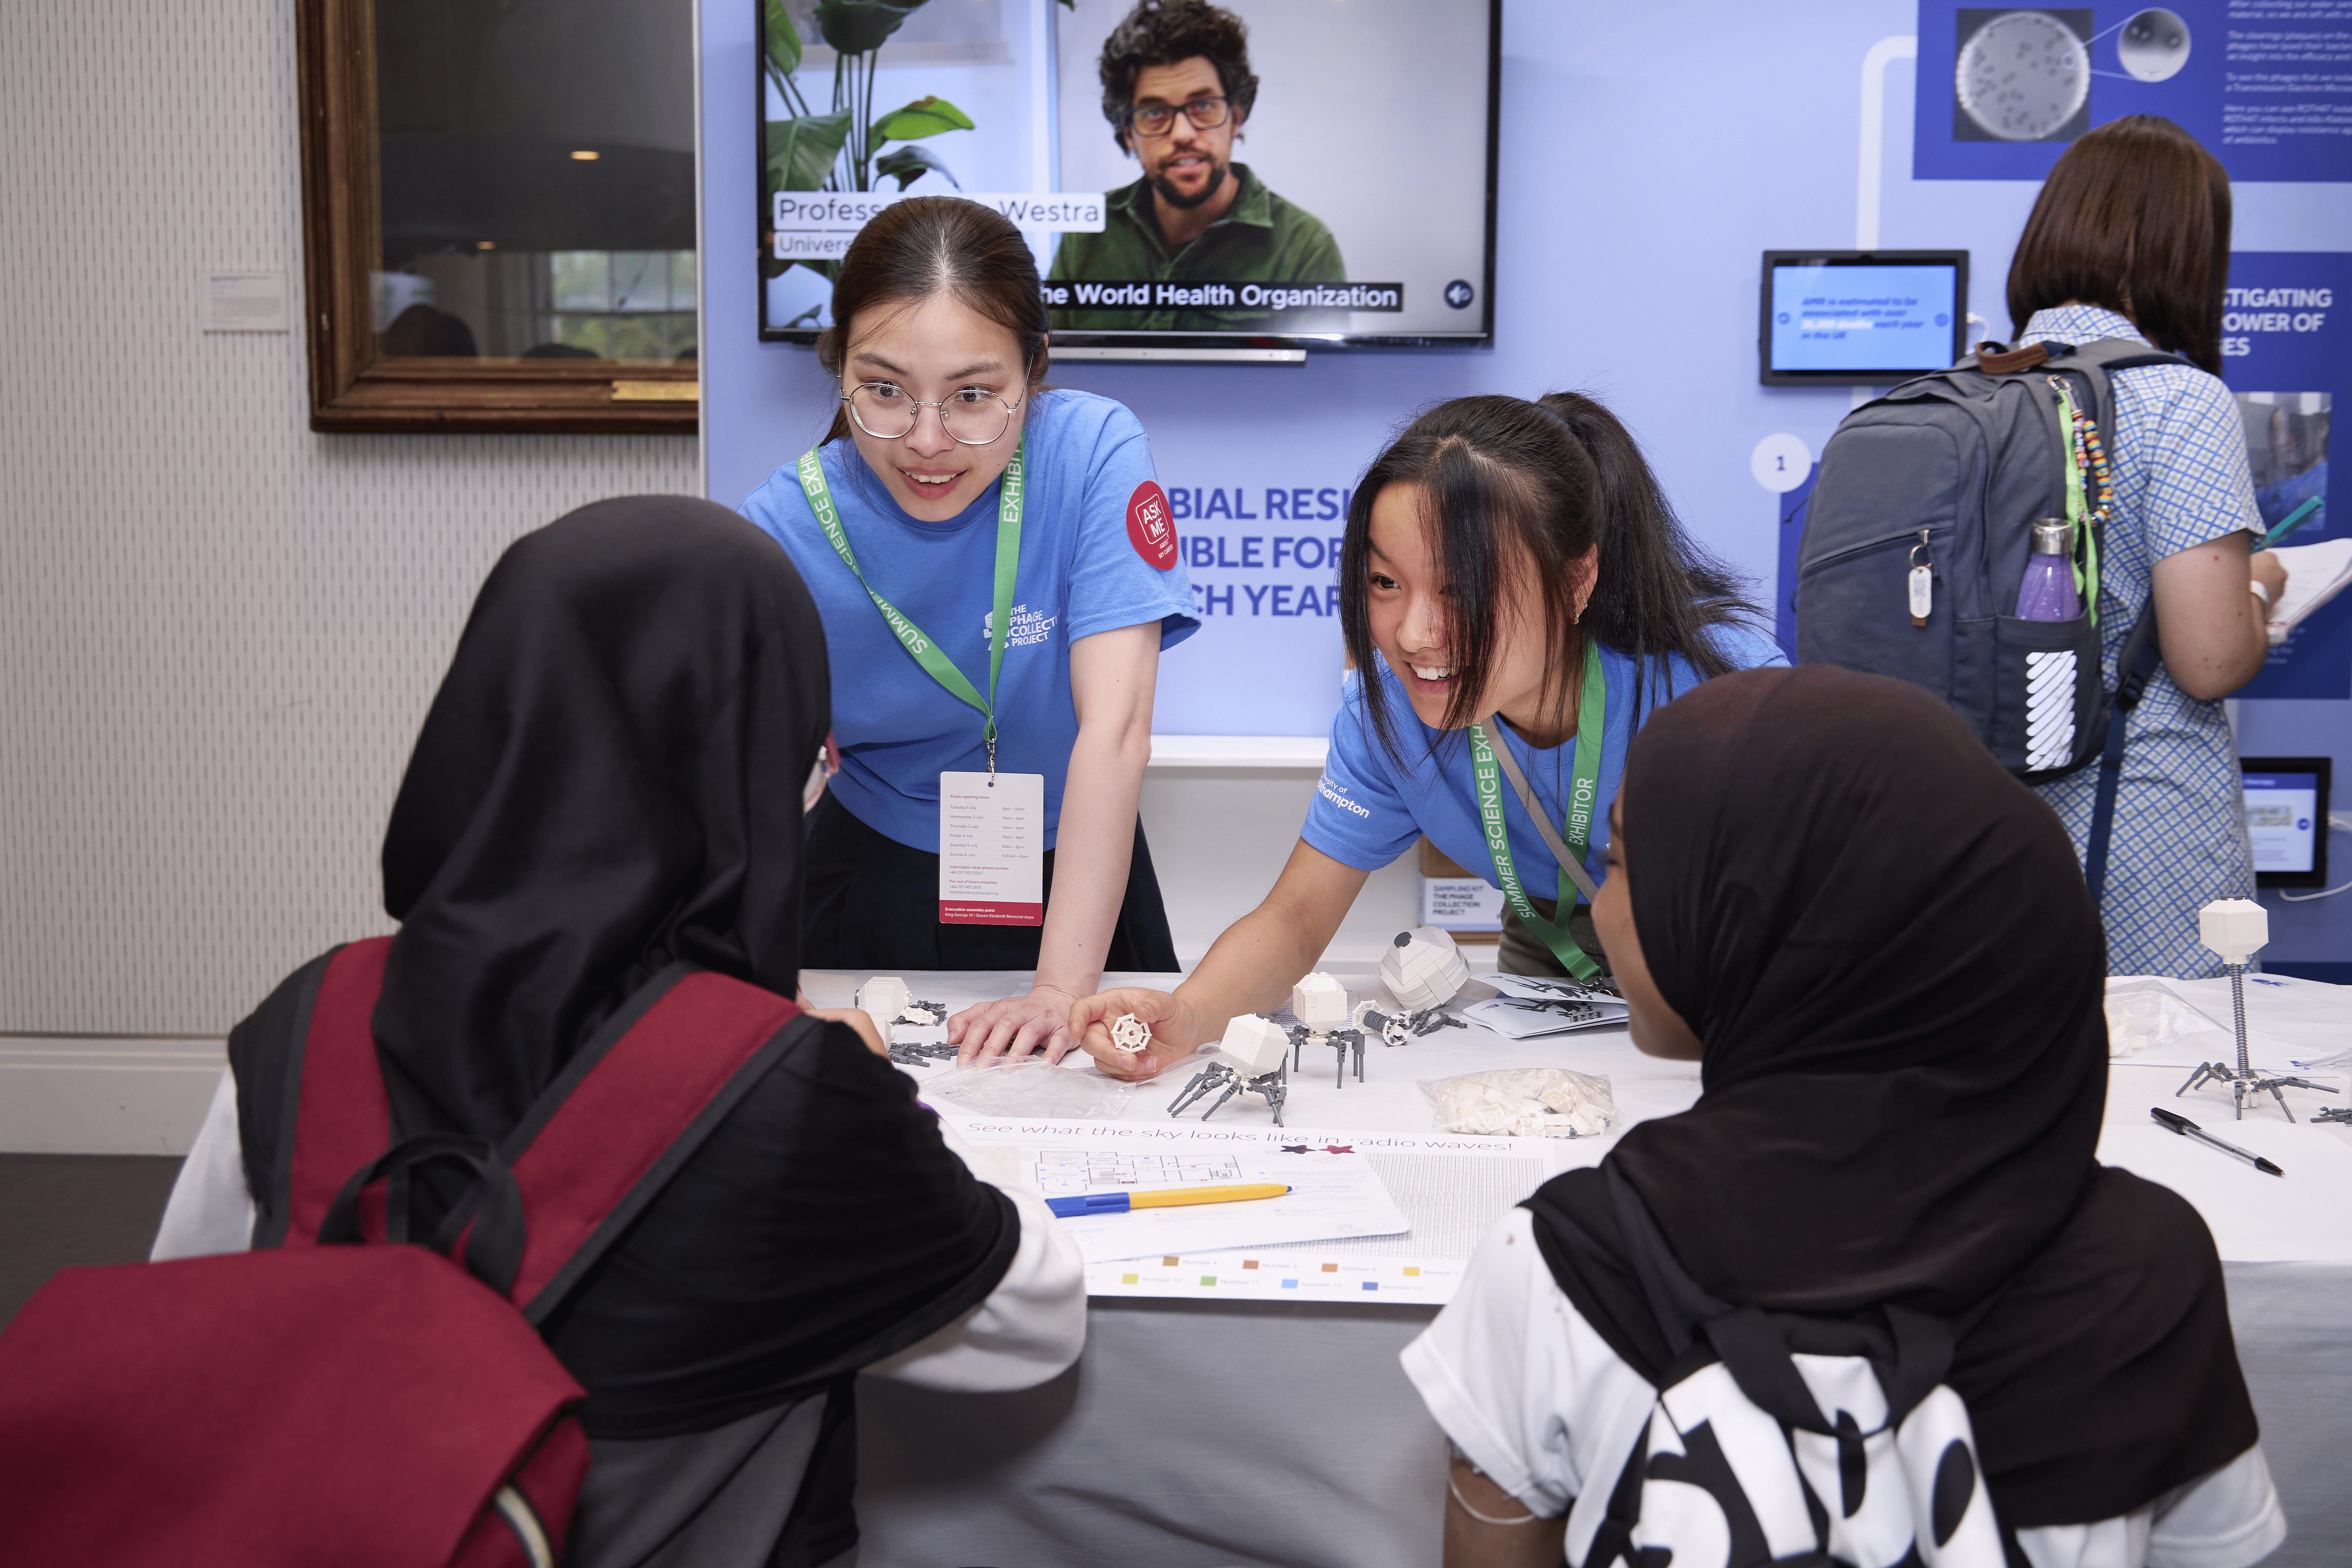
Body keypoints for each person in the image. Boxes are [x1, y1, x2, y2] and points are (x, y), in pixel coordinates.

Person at [149, 499, 1087, 1568]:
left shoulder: (304, 1023)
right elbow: (1034, 1319)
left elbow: (191, 1313)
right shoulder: (782, 1094)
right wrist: (879, 1089)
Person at [1404, 665, 2285, 1568]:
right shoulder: (2145, 1272)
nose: (1604, 903)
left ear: (1762, 915)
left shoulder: (1563, 1268)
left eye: (1627, 862)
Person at [1071, 393, 1783, 1081]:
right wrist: (1190, 1015)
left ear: (1575, 582)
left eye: (1461, 590)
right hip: (1550, 963)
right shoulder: (1386, 711)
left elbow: (1803, 916)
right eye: (1385, 582)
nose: (1413, 635)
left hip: (1725, 960)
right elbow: (1296, 919)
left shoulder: (1724, 691)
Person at [739, 196, 1199, 1063]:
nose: (927, 441)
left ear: (1035, 367)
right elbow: (735, 789)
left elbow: (1116, 729)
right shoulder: (783, 525)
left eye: (974, 396)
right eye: (884, 390)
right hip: (868, 877)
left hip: (1079, 880)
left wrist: (1060, 990)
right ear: (838, 367)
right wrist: (767, 993)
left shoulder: (1090, 450)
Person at [2005, 115, 2287, 977]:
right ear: (2187, 252)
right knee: (2162, 1057)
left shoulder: (1957, 395)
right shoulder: (2177, 399)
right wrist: (2259, 587)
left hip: (1966, 829)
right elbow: (2207, 660)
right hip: (2135, 830)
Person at [1048, 0, 1347, 333]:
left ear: (1236, 118)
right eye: (1155, 113)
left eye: (1203, 105)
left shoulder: (1305, 247)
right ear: (1128, 134)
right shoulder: (1086, 236)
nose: (1183, 134)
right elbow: (1045, 362)